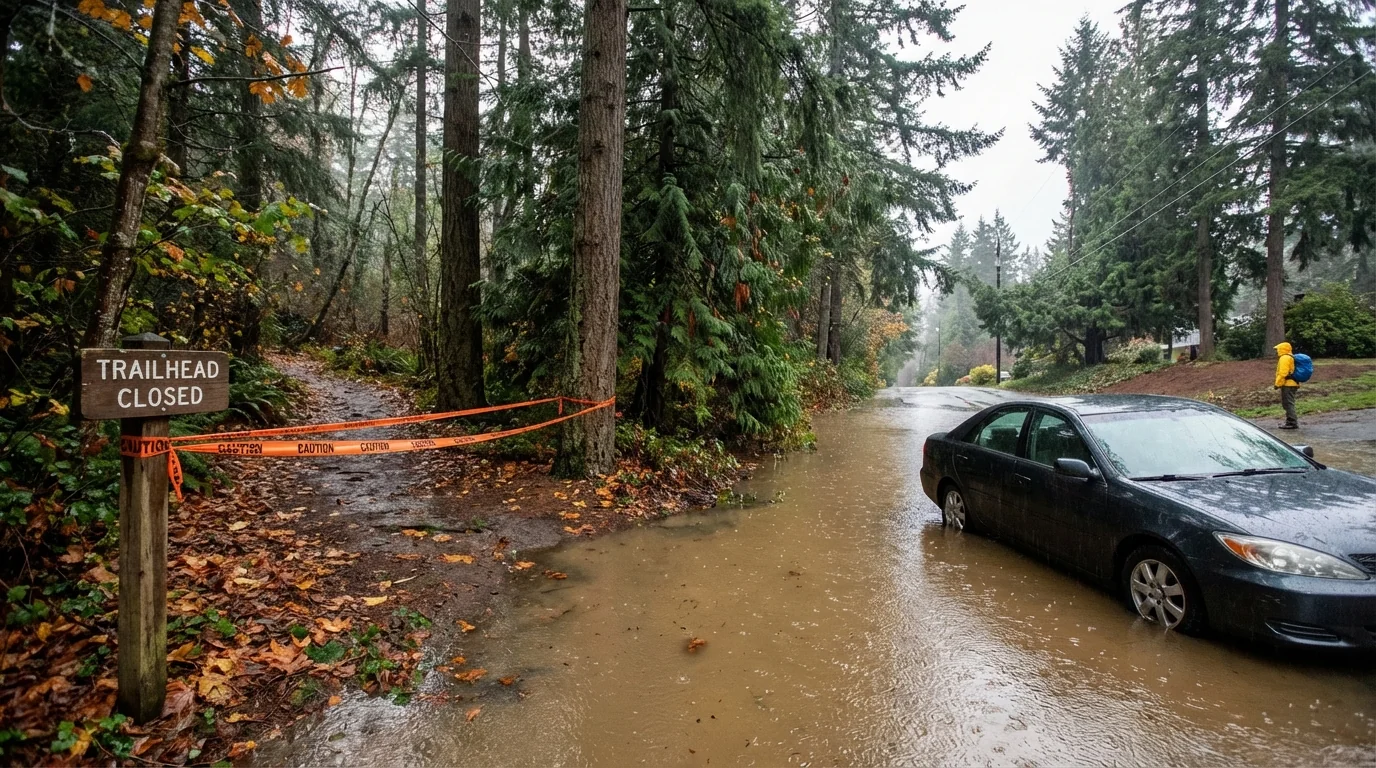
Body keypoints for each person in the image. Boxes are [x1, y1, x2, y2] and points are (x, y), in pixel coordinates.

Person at [1274, 342, 1300, 429]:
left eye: (1278, 349)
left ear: (1282, 349)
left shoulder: (1284, 358)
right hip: (1292, 383)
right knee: (1288, 403)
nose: (1277, 351)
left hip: (1288, 384)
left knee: (1288, 403)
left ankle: (1292, 422)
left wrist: (1277, 384)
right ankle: (1290, 421)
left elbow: (1283, 373)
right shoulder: (1290, 357)